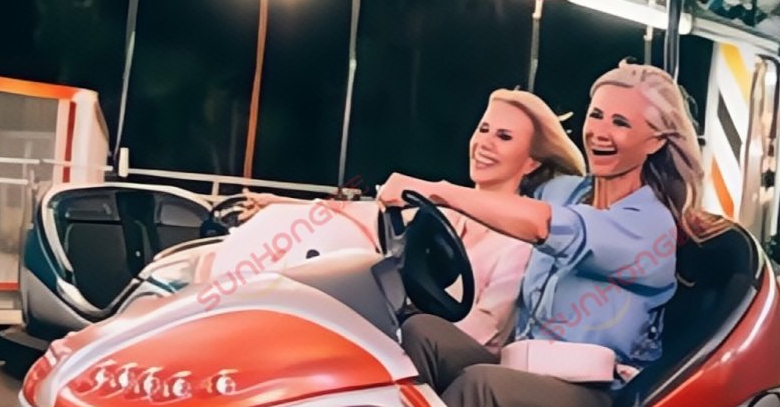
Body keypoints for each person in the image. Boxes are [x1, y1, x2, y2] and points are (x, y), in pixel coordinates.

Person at [381, 62, 704, 407]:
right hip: (524, 365)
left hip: (594, 395)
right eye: (596, 115)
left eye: (621, 122)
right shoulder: (563, 190)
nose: (600, 131)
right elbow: (503, 201)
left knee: (483, 387)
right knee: (419, 332)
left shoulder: (648, 225)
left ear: (654, 141)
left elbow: (543, 225)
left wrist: (436, 189)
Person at [241, 90, 585, 354]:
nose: (484, 143)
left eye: (504, 137)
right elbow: (367, 212)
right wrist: (286, 206)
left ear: (530, 164)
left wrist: (396, 340)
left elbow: (488, 329)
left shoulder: (520, 237)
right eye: (483, 129)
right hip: (403, 339)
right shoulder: (447, 212)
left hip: (454, 358)